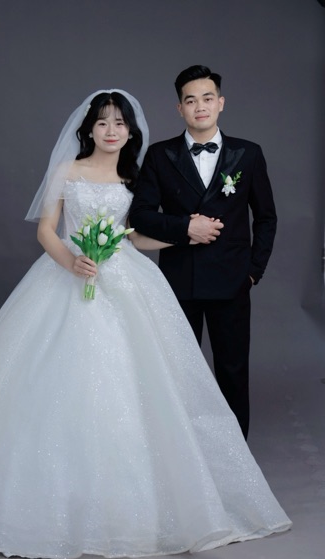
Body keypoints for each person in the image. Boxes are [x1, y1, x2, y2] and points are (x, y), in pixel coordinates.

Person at [0, 89, 290, 559]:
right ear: (89, 129)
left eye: (120, 123)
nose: (112, 130)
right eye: (103, 123)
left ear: (130, 131)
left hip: (125, 278)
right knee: (52, 380)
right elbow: (46, 230)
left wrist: (185, 236)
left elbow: (137, 236)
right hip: (70, 274)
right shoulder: (67, 170)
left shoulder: (135, 177)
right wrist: (72, 262)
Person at [129, 65, 277, 439]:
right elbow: (140, 215)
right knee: (180, 373)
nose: (200, 107)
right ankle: (186, 454)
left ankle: (237, 455)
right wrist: (185, 228)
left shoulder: (248, 154)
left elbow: (266, 218)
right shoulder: (160, 156)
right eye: (191, 100)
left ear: (220, 103)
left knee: (233, 371)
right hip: (179, 283)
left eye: (207, 98)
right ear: (179, 108)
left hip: (233, 281)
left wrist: (253, 271)